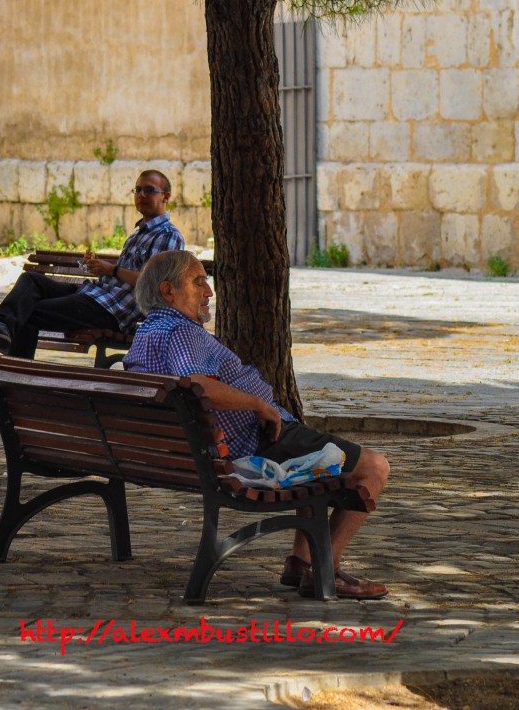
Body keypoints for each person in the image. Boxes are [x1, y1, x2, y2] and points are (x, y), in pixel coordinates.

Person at [123, 250, 391, 599]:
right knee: (373, 467)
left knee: (316, 455)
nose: (208, 291)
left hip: (197, 450)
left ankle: (300, 562)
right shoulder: (180, 332)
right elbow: (196, 384)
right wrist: (259, 405)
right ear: (168, 291)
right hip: (248, 447)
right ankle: (325, 569)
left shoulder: (147, 332)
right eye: (198, 282)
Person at [0, 170, 185, 408]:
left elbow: (154, 284)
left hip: (111, 312)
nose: (141, 195)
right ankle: (1, 326)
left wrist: (111, 269)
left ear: (166, 196)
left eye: (149, 190)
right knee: (31, 281)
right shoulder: (138, 234)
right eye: (138, 190)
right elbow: (119, 277)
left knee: (30, 312)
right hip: (94, 295)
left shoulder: (168, 236)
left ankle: (11, 393)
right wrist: (100, 268)